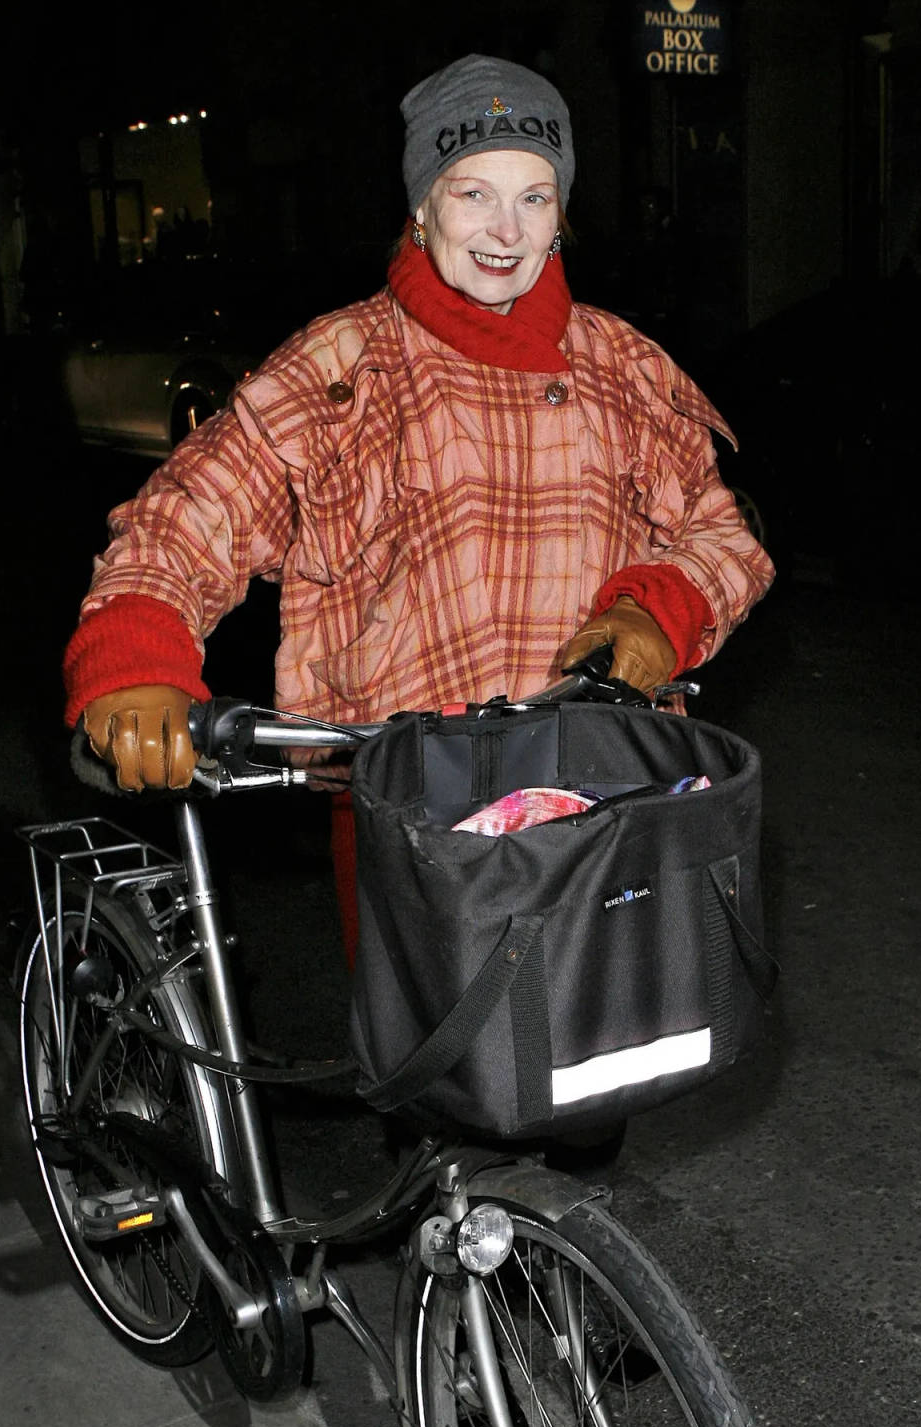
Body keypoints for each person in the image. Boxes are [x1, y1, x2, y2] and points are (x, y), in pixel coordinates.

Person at [64, 54, 774, 948]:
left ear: (563, 217)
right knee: (445, 1071)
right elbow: (189, 517)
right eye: (474, 192)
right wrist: (136, 657)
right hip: (413, 813)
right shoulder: (340, 371)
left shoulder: (623, 368)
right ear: (422, 204)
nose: (505, 230)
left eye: (535, 197)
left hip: (603, 800)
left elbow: (725, 536)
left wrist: (657, 614)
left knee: (610, 1055)